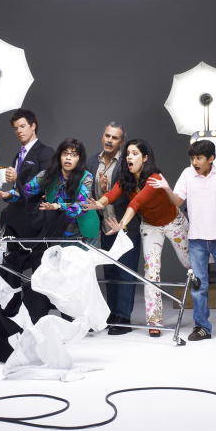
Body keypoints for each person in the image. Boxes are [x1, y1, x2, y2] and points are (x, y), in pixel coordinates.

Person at [148, 140, 216, 342]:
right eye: (192, 158)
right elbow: (178, 201)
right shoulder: (187, 174)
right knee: (199, 287)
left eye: (199, 158)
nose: (194, 162)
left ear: (211, 158)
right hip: (196, 239)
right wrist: (166, 188)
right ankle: (202, 327)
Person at [84, 139, 190, 337]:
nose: (129, 157)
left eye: (134, 154)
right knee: (151, 272)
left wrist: (122, 224)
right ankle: (154, 321)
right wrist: (99, 203)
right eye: (127, 154)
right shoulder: (126, 178)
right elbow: (112, 194)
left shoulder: (154, 178)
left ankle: (201, 291)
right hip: (150, 227)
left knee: (191, 263)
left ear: (145, 158)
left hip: (173, 222)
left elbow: (136, 203)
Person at [0, 109, 53, 323]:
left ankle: (39, 320)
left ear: (33, 125)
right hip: (16, 220)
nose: (19, 131)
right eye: (15, 128)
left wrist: (17, 179)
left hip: (36, 221)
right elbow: (19, 192)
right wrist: (7, 194)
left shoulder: (45, 153)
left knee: (39, 271)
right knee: (10, 268)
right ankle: (11, 317)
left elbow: (40, 186)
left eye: (22, 126)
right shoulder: (18, 154)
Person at [87, 122, 141, 335]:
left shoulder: (127, 162)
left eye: (115, 137)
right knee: (109, 270)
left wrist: (107, 189)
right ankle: (112, 314)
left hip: (125, 224)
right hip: (105, 225)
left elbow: (132, 191)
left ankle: (124, 318)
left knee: (125, 271)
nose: (109, 140)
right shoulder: (92, 161)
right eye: (107, 136)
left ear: (122, 141)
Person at [0, 138, 99, 242]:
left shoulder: (86, 177)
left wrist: (57, 206)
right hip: (57, 229)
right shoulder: (47, 174)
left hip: (83, 230)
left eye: (74, 155)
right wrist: (8, 195)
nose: (68, 158)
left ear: (79, 159)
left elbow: (82, 205)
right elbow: (25, 192)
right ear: (59, 156)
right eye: (65, 154)